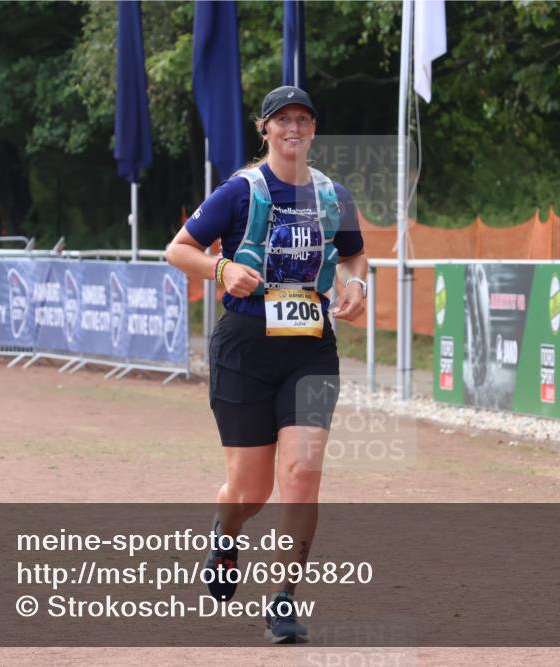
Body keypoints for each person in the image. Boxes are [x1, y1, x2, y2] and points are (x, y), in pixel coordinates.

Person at [166, 85, 368, 644]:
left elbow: (352, 252)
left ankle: (282, 600)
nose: (293, 128)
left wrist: (355, 283)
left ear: (313, 128)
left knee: (301, 476)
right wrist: (222, 268)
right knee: (249, 491)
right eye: (283, 120)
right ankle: (226, 531)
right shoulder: (240, 191)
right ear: (265, 129)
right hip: (244, 349)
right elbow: (178, 248)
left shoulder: (333, 196)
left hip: (309, 348)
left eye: (303, 119)